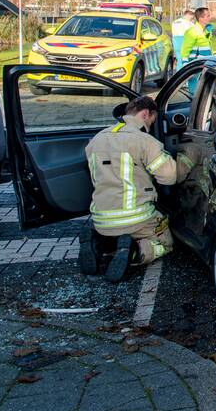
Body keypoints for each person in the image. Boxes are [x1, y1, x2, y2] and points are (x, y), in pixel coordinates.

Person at [81, 96, 208, 282]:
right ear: (146, 113)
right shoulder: (144, 141)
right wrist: (189, 155)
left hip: (100, 218)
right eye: (152, 119)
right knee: (165, 242)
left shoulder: (96, 140)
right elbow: (170, 177)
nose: (151, 124)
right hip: (136, 218)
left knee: (112, 231)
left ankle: (100, 244)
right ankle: (135, 251)